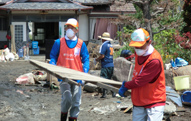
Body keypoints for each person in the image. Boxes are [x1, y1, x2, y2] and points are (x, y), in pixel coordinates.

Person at [118, 28, 166, 121]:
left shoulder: (154, 60)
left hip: (154, 101)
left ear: (149, 42)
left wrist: (126, 85)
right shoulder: (138, 53)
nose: (138, 49)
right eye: (136, 47)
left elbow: (140, 81)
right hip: (139, 100)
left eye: (141, 46)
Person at [49, 18, 89, 121]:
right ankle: (63, 118)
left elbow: (86, 59)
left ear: (76, 30)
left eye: (72, 28)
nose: (69, 29)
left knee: (76, 102)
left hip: (77, 77)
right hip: (64, 77)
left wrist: (84, 74)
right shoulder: (59, 42)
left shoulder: (81, 44)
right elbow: (53, 56)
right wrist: (52, 65)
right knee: (67, 98)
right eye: (68, 27)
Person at [95, 32, 115, 98]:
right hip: (111, 64)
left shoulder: (104, 45)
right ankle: (113, 92)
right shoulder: (110, 45)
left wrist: (97, 59)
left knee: (104, 79)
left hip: (105, 64)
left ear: (103, 39)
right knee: (109, 79)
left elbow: (102, 56)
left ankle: (104, 94)